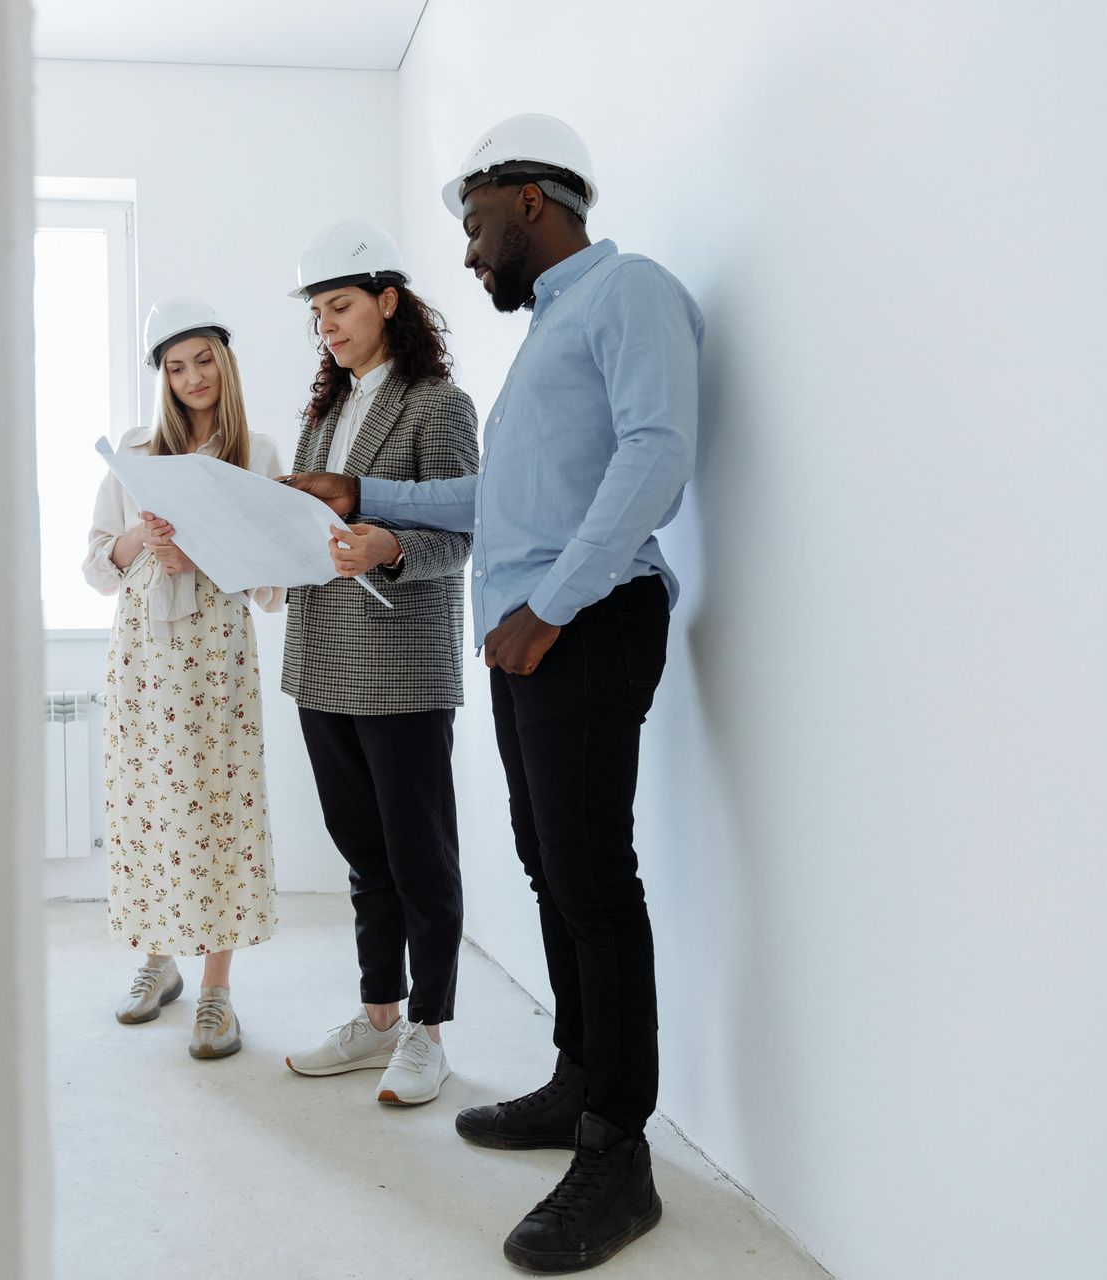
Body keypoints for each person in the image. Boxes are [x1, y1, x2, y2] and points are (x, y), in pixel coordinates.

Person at [287, 115, 704, 1273]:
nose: (468, 256)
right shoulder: (552, 333)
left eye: (475, 226)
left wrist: (554, 603)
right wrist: (359, 485)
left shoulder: (632, 293)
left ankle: (618, 1155)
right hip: (535, 637)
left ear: (529, 197)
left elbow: (658, 453)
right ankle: (577, 1080)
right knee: (548, 863)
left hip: (591, 621)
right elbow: (497, 505)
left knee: (592, 877)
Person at [275, 219, 479, 1106]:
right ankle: (380, 1015)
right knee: (363, 852)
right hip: (321, 655)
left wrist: (389, 543)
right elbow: (301, 526)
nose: (327, 324)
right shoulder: (319, 413)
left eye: (342, 306)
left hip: (401, 658)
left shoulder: (440, 404)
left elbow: (464, 531)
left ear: (388, 301)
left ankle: (431, 1030)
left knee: (419, 855)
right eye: (318, 312)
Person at [83, 294, 286, 1061]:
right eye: (176, 365)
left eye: (204, 360)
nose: (193, 376)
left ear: (224, 363)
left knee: (215, 806)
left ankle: (216, 994)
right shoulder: (135, 450)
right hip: (141, 656)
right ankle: (158, 961)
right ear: (160, 376)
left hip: (214, 655)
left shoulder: (256, 453)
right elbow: (95, 565)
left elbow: (273, 582)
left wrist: (202, 553)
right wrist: (140, 537)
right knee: (147, 804)